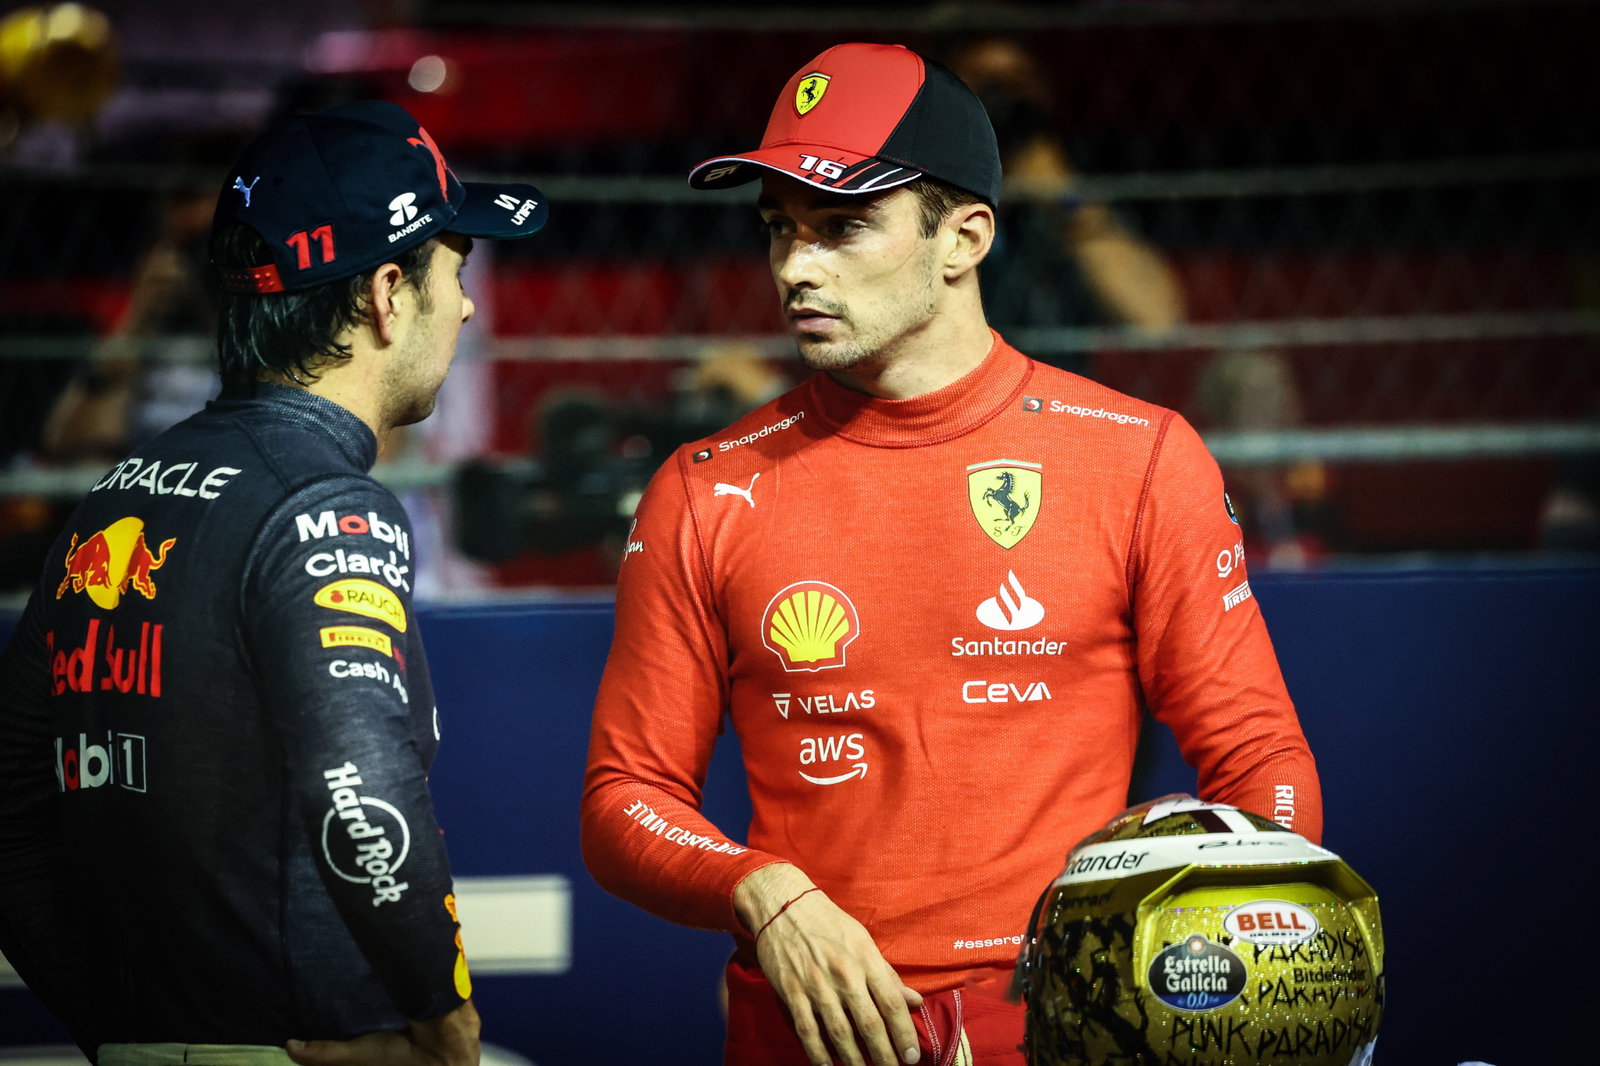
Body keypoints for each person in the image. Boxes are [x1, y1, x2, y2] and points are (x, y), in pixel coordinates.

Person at [581, 42, 1321, 1066]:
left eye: (844, 225)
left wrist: (1238, 922)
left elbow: (1260, 760)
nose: (796, 266)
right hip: (808, 1037)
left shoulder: (1138, 457)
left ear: (964, 237)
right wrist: (762, 891)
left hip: (1062, 1034)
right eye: (779, 228)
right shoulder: (705, 488)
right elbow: (626, 798)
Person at [0, 100, 549, 1063]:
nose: (466, 307)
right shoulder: (328, 507)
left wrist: (120, 1034)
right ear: (387, 293)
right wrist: (443, 1020)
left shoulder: (115, 497)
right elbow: (361, 785)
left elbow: (10, 814)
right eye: (454, 271)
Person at [946, 35, 1185, 359]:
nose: (1001, 97)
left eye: (1015, 81)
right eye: (984, 81)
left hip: (1054, 382)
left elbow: (1157, 320)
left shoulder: (1067, 185)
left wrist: (1062, 193)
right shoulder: (926, 190)